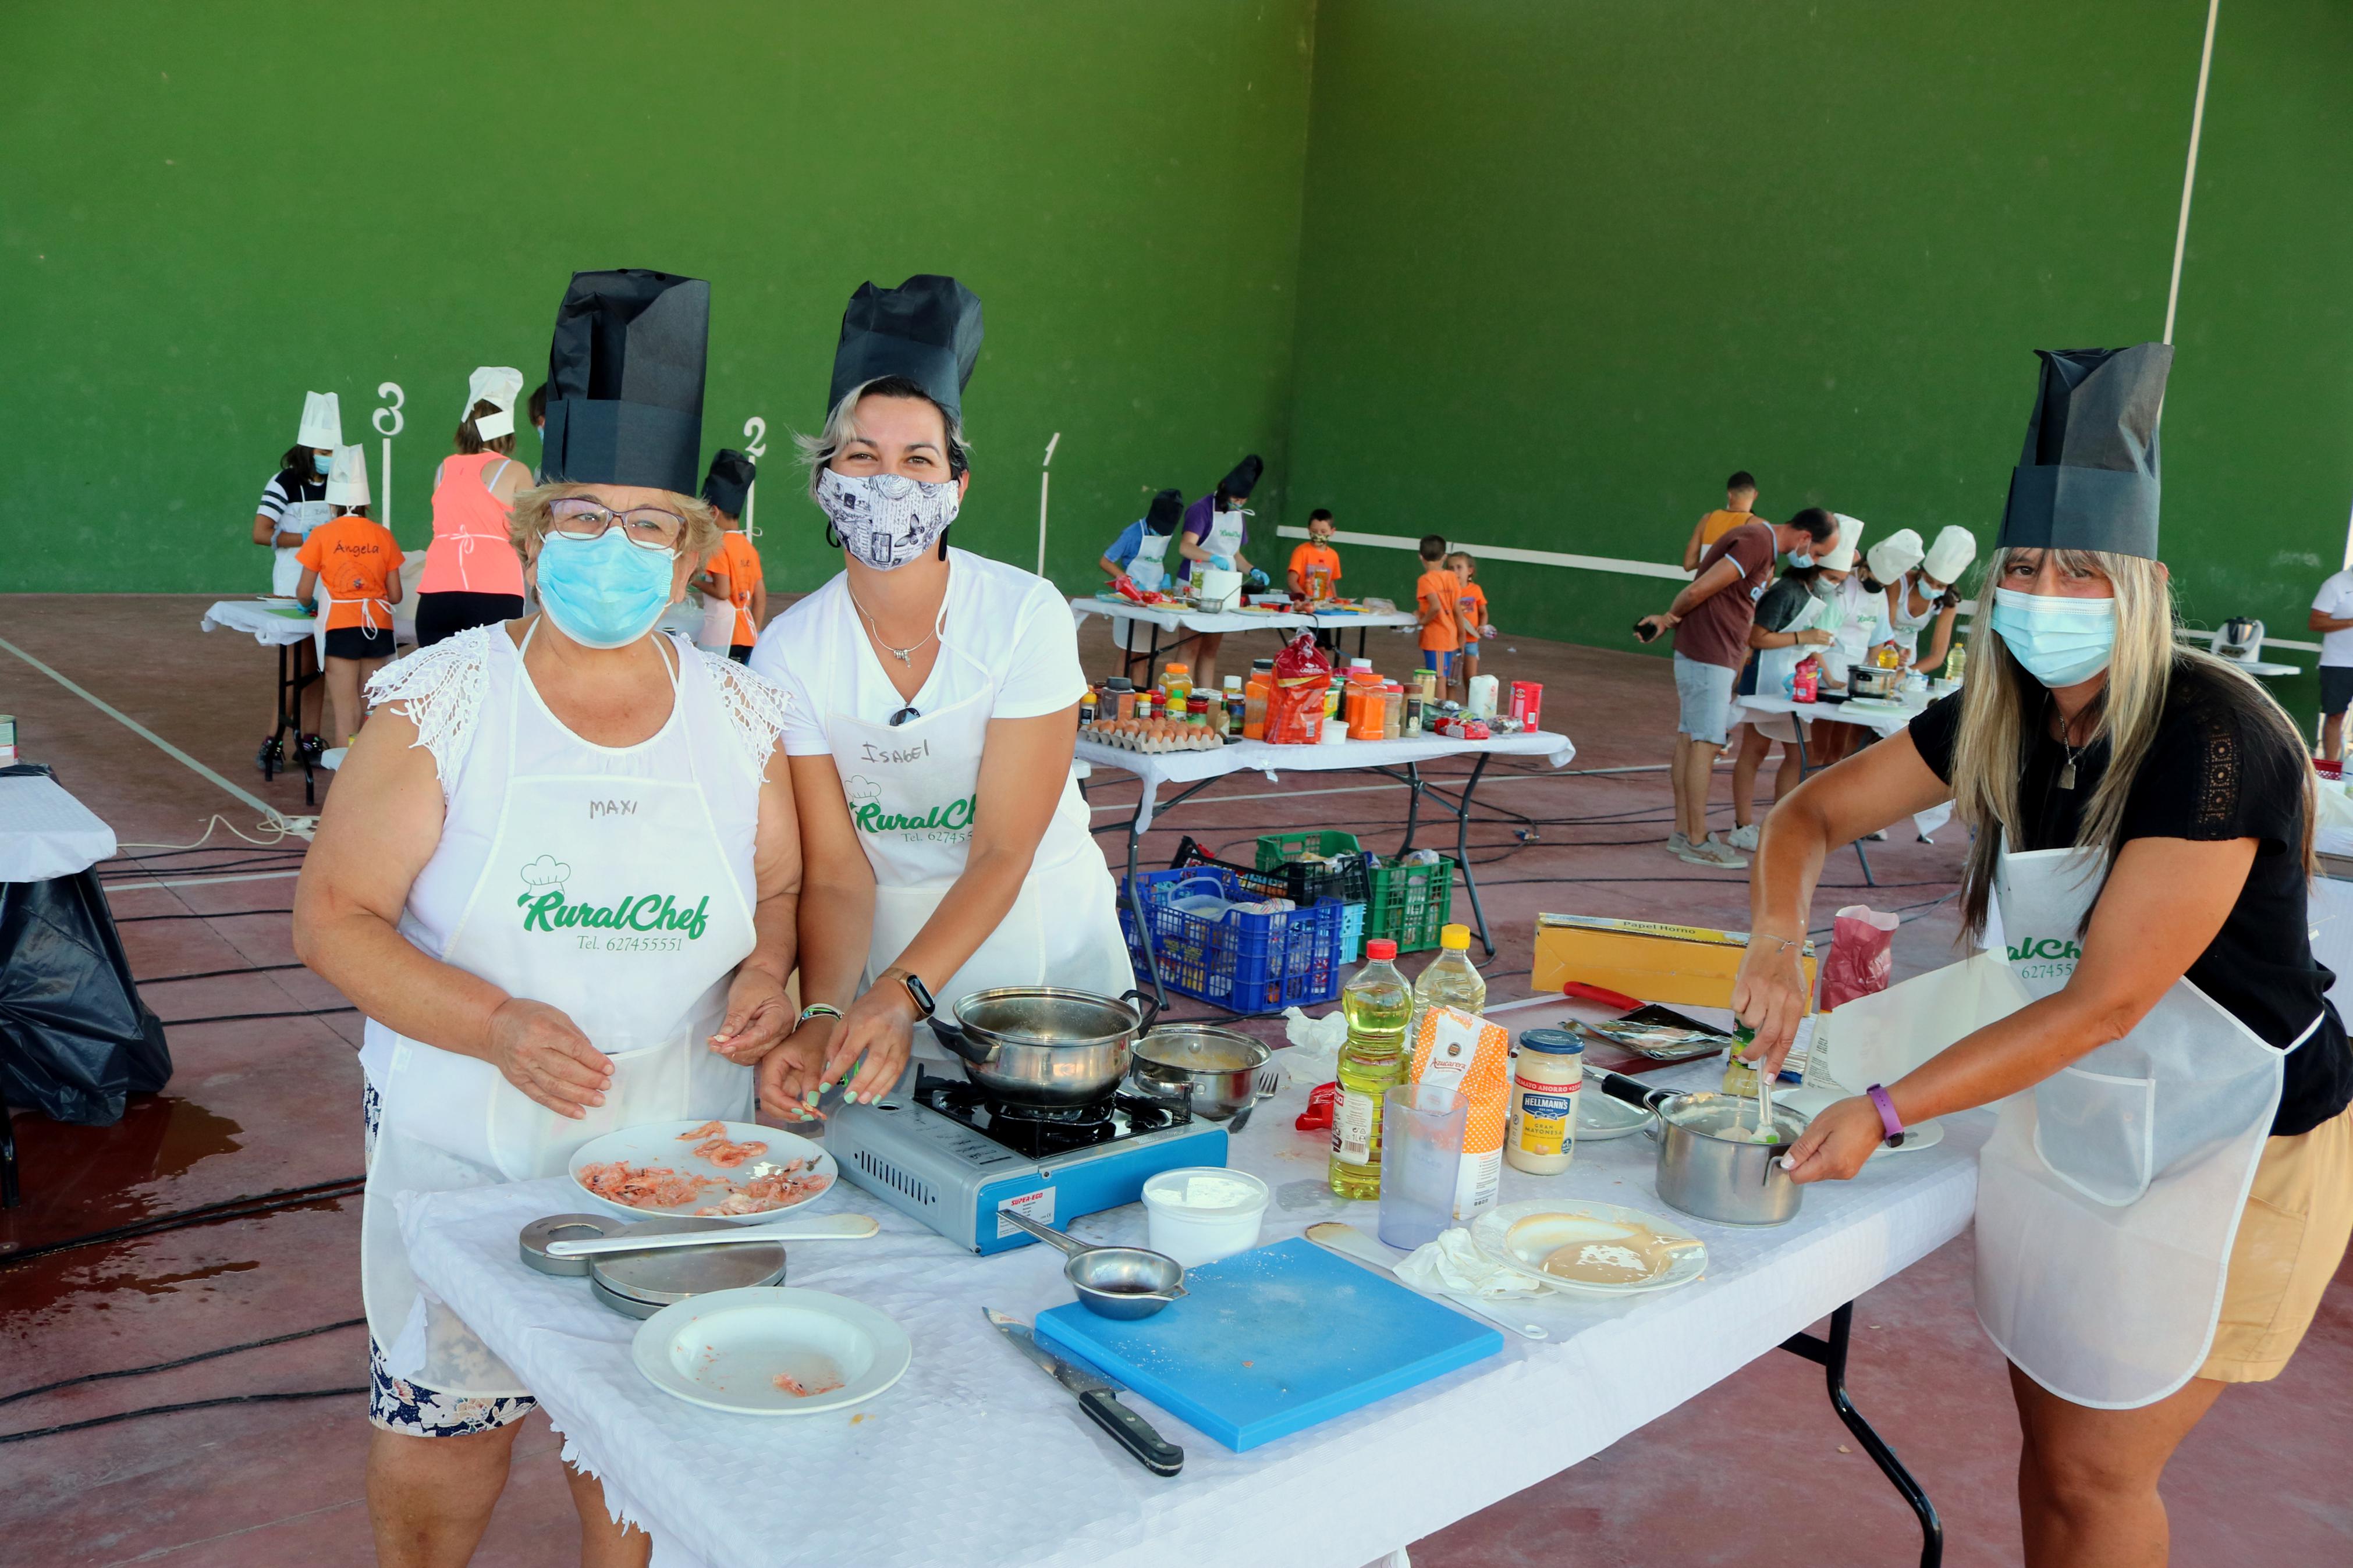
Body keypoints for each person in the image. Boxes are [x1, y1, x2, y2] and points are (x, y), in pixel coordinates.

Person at [1732, 344, 2353, 1567]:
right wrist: (1772, 941)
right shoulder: (1991, 716)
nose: (2043, 592)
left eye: (2080, 570)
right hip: (2083, 1112)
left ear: (2143, 585)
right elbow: (1802, 819)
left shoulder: (2210, 737)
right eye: (2021, 567)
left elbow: (2106, 999)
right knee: (2050, 1450)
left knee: (2091, 1473)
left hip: (2238, 1136)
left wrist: (1882, 1105)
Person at [294, 270, 800, 1568]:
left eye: (648, 527)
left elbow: (783, 890)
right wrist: (497, 1021)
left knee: (634, 1440)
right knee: (448, 1434)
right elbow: (337, 917)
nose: (613, 548)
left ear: (691, 555)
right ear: (529, 533)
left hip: (675, 1151)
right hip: (468, 1147)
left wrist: (779, 967)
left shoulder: (739, 718)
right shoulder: (438, 706)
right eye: (584, 515)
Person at [750, 274, 1134, 1118]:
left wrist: (900, 992)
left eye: (917, 459)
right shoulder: (788, 652)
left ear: (956, 486)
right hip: (881, 963)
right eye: (861, 456)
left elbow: (1002, 847)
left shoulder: (1021, 615)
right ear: (823, 482)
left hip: (1039, 959)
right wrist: (828, 1008)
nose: (889, 481)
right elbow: (839, 869)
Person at [1639, 507, 1837, 867]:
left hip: (1715, 652)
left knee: (1692, 737)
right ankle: (1697, 839)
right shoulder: (1757, 542)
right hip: (1707, 652)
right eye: (1820, 554)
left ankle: (1684, 832)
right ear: (1806, 538)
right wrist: (1668, 619)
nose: (1815, 561)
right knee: (1705, 742)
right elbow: (1701, 588)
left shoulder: (1764, 548)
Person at [1725, 530, 1843, 850]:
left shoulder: (1810, 594)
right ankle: (1742, 824)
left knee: (1798, 754)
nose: (1835, 584)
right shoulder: (1787, 592)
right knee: (1755, 750)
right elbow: (1757, 637)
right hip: (1763, 677)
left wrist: (1827, 676)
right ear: (1814, 568)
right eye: (1832, 576)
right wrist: (1804, 639)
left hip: (1793, 680)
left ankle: (1781, 823)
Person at [250, 390, 340, 770]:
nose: (328, 457)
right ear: (306, 448)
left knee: (319, 663)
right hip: (294, 582)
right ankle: (273, 739)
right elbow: (261, 532)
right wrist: (309, 539)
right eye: (322, 450)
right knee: (297, 665)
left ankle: (310, 738)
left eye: (333, 451)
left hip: (331, 583)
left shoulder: (341, 481)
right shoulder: (284, 482)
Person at [293, 445, 402, 752]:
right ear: (366, 503)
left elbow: (303, 591)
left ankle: (345, 783)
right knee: (371, 710)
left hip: (341, 628)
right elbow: (395, 595)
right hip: (378, 627)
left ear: (335, 503)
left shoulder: (323, 535)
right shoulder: (383, 535)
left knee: (346, 714)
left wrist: (307, 605)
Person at [414, 367, 531, 648]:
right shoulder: (514, 471)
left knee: (440, 686)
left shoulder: (445, 468)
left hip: (437, 595)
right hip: (495, 594)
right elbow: (530, 535)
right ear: (507, 427)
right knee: (491, 684)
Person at [1173, 454, 1264, 689]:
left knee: (1211, 649)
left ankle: (1205, 698)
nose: (1240, 504)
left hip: (1223, 589)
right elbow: (1186, 547)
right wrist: (1212, 558)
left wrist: (1252, 569)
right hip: (1197, 583)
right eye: (1236, 498)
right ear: (1225, 490)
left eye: (1244, 500)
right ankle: (1180, 701)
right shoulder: (1201, 510)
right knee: (1191, 646)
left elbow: (1234, 553)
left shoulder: (1238, 514)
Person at [1808, 515, 1880, 768]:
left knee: (1838, 752)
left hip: (1850, 681)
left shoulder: (1874, 596)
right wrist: (1829, 679)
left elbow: (1878, 639)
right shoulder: (1839, 595)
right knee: (1817, 751)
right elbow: (1815, 644)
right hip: (1827, 677)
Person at [1098, 488, 1188, 674]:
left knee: (1144, 655)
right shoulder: (1131, 534)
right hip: (1131, 598)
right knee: (1128, 651)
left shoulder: (1165, 534)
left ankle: (1139, 698)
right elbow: (1105, 561)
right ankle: (1120, 693)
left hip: (1153, 599)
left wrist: (1163, 583)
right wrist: (1128, 581)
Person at [695, 449, 765, 662]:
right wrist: (754, 632)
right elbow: (760, 597)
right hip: (748, 636)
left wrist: (693, 582)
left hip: (721, 635)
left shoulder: (718, 545)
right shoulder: (748, 547)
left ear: (714, 512)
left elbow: (722, 591)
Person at [1886, 524, 1977, 676]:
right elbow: (1885, 627)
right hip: (1882, 651)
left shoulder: (1949, 603)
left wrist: (1904, 674)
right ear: (1922, 571)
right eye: (1929, 580)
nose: (1933, 587)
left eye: (1940, 585)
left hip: (1908, 662)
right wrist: (1893, 649)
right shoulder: (1898, 582)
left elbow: (1937, 656)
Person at [2308, 559, 2353, 763]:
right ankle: (2331, 767)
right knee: (2335, 715)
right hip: (2339, 663)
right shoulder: (2336, 584)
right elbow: (2316, 622)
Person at [1680, 470, 1765, 572]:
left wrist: (1710, 564)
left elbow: (1688, 564)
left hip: (1706, 587)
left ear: (1729, 495)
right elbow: (1765, 570)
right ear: (1755, 495)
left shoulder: (1707, 519)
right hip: (1737, 588)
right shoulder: (1760, 525)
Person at [1415, 534, 1466, 698]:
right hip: (1450, 636)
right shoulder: (1452, 577)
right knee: (1442, 677)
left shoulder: (1425, 580)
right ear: (1445, 557)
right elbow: (1457, 609)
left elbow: (1436, 607)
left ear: (1421, 557)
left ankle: (1438, 714)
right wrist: (1462, 635)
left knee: (1438, 678)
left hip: (1437, 637)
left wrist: (1423, 620)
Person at [1448, 551, 1496, 687]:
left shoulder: (1476, 590)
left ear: (1470, 571)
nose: (1455, 571)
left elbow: (1483, 613)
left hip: (1471, 642)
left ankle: (1472, 708)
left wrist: (1482, 626)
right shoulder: (1447, 591)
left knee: (1471, 680)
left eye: (1459, 567)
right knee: (1451, 681)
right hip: (1452, 641)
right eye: (1451, 568)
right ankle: (1449, 706)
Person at [1289, 509, 1343, 601]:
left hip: (1326, 603)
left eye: (1323, 532)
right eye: (1314, 531)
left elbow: (1330, 582)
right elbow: (1292, 581)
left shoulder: (1333, 555)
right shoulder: (1301, 551)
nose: (1318, 535)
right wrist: (1306, 598)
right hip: (1306, 603)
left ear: (1332, 531)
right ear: (1309, 529)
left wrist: (1335, 599)